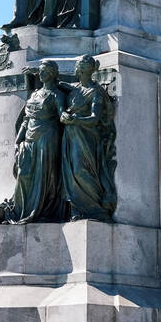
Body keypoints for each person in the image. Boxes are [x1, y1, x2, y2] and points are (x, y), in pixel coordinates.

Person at [0, 61, 65, 224]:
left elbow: (62, 115)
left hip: (48, 137)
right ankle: (22, 210)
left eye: (44, 71)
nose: (41, 74)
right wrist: (18, 139)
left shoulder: (57, 94)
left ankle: (41, 209)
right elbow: (26, 119)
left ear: (52, 73)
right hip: (29, 137)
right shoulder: (34, 94)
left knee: (44, 174)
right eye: (40, 71)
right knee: (24, 173)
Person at [59, 54, 116, 221]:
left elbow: (94, 118)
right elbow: (57, 83)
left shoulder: (95, 92)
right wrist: (63, 115)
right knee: (70, 174)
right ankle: (77, 209)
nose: (75, 68)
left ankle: (94, 208)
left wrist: (76, 119)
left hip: (86, 136)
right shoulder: (74, 88)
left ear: (84, 69)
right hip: (70, 135)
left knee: (81, 170)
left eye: (78, 65)